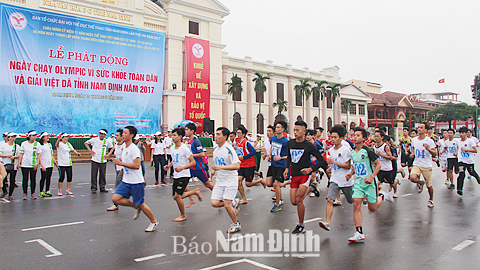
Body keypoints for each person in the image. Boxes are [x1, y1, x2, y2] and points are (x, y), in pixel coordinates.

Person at [348, 127, 394, 242]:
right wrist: (350, 174)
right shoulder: (353, 152)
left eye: (358, 135)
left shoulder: (368, 151)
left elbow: (378, 165)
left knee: (372, 208)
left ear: (364, 138)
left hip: (369, 182)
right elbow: (356, 166)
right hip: (358, 182)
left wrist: (372, 177)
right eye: (354, 135)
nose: (355, 137)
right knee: (356, 205)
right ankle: (359, 232)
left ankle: (382, 196)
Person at [283, 120, 327, 234]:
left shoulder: (309, 145)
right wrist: (287, 168)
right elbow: (289, 156)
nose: (295, 132)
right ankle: (312, 188)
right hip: (294, 175)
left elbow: (322, 160)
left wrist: (311, 169)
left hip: (305, 175)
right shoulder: (290, 143)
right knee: (293, 201)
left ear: (304, 132)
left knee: (299, 199)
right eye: (294, 130)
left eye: (297, 130)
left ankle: (301, 224)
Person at [112, 126, 159, 232]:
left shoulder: (134, 149)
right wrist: (123, 168)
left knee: (141, 203)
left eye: (125, 133)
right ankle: (135, 206)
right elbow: (127, 161)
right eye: (122, 133)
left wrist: (121, 163)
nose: (122, 135)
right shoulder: (125, 147)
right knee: (115, 199)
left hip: (136, 182)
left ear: (131, 135)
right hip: (126, 181)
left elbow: (137, 165)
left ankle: (153, 221)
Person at [319, 125, 353, 232]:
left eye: (335, 137)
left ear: (341, 138)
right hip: (335, 179)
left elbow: (348, 166)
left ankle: (364, 196)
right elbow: (334, 164)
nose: (332, 139)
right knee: (329, 200)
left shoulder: (345, 150)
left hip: (346, 180)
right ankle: (328, 223)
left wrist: (334, 163)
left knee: (351, 200)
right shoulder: (331, 151)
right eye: (331, 137)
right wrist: (330, 168)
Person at [164, 128, 202, 222]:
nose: (172, 137)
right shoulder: (172, 148)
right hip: (176, 175)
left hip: (184, 175)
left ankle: (183, 215)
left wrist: (182, 168)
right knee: (175, 197)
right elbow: (175, 160)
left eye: (174, 135)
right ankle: (194, 192)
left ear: (180, 137)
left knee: (177, 196)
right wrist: (169, 166)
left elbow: (193, 162)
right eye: (172, 135)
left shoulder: (184, 148)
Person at [210, 127, 242, 233]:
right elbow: (218, 163)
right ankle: (234, 202)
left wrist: (221, 168)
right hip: (220, 180)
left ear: (225, 137)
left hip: (231, 180)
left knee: (226, 204)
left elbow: (237, 166)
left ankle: (236, 224)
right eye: (216, 134)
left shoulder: (229, 149)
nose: (216, 136)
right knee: (214, 203)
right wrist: (214, 170)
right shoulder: (215, 149)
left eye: (219, 134)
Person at [409, 122, 437, 208]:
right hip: (417, 164)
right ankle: (421, 183)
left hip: (426, 165)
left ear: (426, 130)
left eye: (421, 128)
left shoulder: (429, 141)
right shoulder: (414, 140)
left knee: (429, 186)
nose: (419, 129)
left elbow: (435, 153)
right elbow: (413, 147)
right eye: (418, 127)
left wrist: (428, 148)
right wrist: (412, 154)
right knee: (412, 178)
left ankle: (431, 199)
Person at [236, 125, 266, 204]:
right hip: (242, 165)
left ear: (243, 134)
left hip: (249, 164)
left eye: (239, 133)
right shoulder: (238, 143)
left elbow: (253, 151)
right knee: (238, 182)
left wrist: (244, 157)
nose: (238, 135)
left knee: (248, 184)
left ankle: (260, 180)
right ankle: (244, 199)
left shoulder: (246, 143)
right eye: (237, 133)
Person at [185, 123, 214, 192]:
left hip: (198, 167)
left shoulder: (196, 141)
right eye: (185, 130)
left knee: (207, 184)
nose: (185, 131)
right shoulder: (188, 141)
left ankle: (221, 195)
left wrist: (191, 155)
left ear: (192, 131)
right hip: (190, 167)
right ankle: (192, 196)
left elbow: (202, 154)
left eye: (187, 130)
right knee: (183, 183)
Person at [268, 121, 290, 212]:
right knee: (270, 183)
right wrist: (270, 155)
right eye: (276, 127)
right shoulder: (273, 138)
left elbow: (289, 156)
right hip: (273, 164)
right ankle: (287, 182)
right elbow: (272, 147)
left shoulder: (286, 141)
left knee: (276, 184)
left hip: (281, 165)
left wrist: (280, 158)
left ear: (283, 129)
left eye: (278, 127)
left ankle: (277, 204)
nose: (276, 129)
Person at [85, 129, 113, 194]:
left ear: (105, 135)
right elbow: (86, 143)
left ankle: (102, 187)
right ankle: (94, 188)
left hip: (103, 160)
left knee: (102, 174)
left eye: (102, 134)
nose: (101, 135)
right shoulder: (94, 139)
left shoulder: (107, 141)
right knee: (94, 174)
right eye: (100, 134)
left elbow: (112, 147)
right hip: (95, 159)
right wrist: (90, 150)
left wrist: (108, 154)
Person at [456, 127, 480, 195]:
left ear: (466, 134)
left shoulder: (470, 141)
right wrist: (457, 152)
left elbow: (475, 150)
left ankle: (478, 178)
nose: (461, 134)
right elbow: (458, 147)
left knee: (471, 172)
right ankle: (459, 189)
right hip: (461, 161)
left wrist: (466, 150)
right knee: (461, 174)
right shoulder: (458, 141)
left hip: (469, 160)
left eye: (463, 133)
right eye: (460, 133)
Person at [373, 130, 397, 196]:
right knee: (377, 182)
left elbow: (390, 157)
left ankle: (395, 190)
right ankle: (377, 196)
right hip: (379, 168)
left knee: (391, 182)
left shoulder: (385, 146)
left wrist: (381, 154)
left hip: (387, 168)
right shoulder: (374, 146)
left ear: (382, 137)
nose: (376, 138)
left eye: (378, 136)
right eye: (375, 136)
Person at [18, 131, 40, 200]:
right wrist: (19, 163)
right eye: (33, 136)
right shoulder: (24, 144)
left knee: (33, 179)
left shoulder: (37, 144)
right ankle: (25, 193)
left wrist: (37, 163)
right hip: (25, 164)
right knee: (25, 179)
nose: (34, 137)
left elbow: (38, 154)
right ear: (29, 136)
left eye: (35, 136)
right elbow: (21, 154)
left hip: (33, 164)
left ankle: (33, 193)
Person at [106, 129, 125, 211]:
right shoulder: (117, 145)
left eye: (117, 135)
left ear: (121, 136)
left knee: (117, 185)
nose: (115, 137)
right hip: (117, 167)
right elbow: (115, 153)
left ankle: (115, 204)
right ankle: (138, 203)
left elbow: (126, 157)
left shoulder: (125, 146)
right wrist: (110, 156)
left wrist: (122, 164)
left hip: (123, 168)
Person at [0, 132, 20, 200]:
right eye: (11, 137)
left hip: (13, 165)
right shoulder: (3, 145)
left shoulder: (17, 146)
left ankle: (10, 194)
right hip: (4, 164)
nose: (13, 139)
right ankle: (4, 191)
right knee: (2, 178)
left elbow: (19, 155)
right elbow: (0, 154)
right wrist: (7, 156)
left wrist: (14, 157)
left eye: (14, 137)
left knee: (12, 180)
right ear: (8, 138)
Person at [38, 132, 58, 198]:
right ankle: (41, 191)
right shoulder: (40, 145)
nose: (48, 137)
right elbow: (39, 156)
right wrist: (42, 165)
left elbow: (51, 155)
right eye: (46, 136)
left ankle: (47, 190)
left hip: (50, 164)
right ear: (43, 137)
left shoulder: (49, 145)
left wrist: (55, 162)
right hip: (44, 164)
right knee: (43, 178)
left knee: (48, 178)